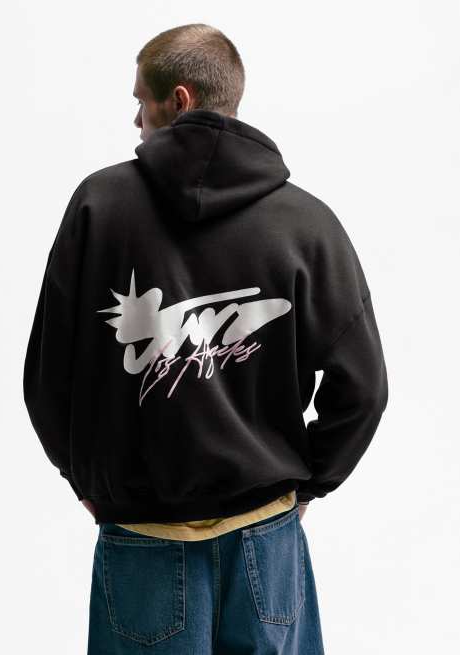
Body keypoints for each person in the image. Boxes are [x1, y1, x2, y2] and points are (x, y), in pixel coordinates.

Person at [22, 22, 388, 655]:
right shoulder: (306, 222)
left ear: (179, 100)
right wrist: (307, 484)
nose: (136, 120)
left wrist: (88, 482)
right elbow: (365, 388)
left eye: (141, 101)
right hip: (266, 539)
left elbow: (47, 374)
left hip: (143, 538)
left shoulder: (98, 207)